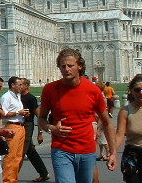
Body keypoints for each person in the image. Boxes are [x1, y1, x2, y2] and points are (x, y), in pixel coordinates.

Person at [38, 48, 117, 183]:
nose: (66, 69)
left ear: (79, 66)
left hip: (87, 150)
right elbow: (41, 119)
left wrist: (113, 152)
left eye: (70, 65)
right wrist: (52, 128)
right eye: (63, 66)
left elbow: (107, 122)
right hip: (61, 150)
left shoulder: (93, 90)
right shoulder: (50, 89)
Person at [19, 78, 49, 182]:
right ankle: (43, 173)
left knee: (23, 149)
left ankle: (12, 175)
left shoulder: (31, 98)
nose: (19, 86)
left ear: (27, 86)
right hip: (21, 125)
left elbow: (39, 115)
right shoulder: (18, 97)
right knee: (30, 151)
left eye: (22, 84)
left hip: (28, 125)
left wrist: (40, 133)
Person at [0, 76, 29, 183]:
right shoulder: (6, 97)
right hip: (12, 126)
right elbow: (4, 114)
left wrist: (23, 113)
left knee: (18, 156)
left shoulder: (18, 96)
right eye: (19, 84)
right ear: (12, 85)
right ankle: (7, 180)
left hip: (21, 126)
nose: (21, 87)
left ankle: (14, 179)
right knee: (10, 155)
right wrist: (18, 113)